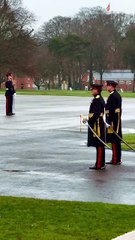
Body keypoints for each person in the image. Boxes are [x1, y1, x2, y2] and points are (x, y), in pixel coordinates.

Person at [83, 83, 106, 170]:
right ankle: (100, 163)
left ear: (97, 90)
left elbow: (96, 114)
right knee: (98, 144)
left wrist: (89, 121)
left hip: (97, 124)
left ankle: (99, 164)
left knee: (99, 144)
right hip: (97, 123)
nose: (91, 90)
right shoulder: (98, 99)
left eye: (93, 89)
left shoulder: (97, 100)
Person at [105, 80, 122, 165]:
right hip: (115, 120)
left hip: (113, 121)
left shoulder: (113, 96)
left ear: (111, 86)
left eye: (107, 86)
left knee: (114, 140)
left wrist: (108, 121)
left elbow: (111, 110)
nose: (106, 87)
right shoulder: (116, 95)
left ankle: (116, 159)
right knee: (115, 140)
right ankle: (117, 158)